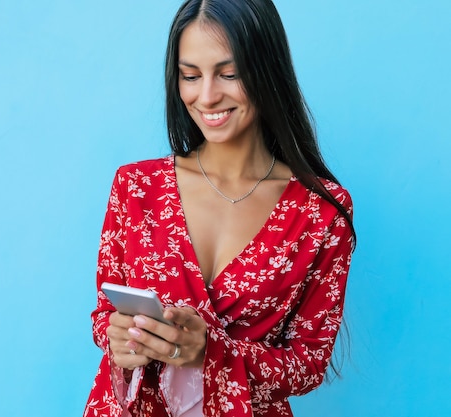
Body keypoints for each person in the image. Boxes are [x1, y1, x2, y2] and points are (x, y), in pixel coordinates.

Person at [83, 0, 356, 416]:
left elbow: (308, 365)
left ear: (267, 70)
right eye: (190, 76)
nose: (207, 96)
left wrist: (210, 351)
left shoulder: (319, 214)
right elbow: (105, 314)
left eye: (229, 74)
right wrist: (117, 335)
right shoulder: (136, 187)